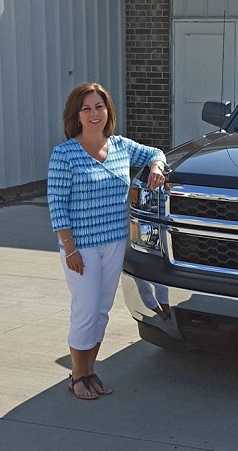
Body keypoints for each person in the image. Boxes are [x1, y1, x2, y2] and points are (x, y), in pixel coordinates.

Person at [47, 82, 167, 400]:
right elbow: (56, 204)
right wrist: (69, 247)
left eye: (99, 106)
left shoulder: (121, 147)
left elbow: (156, 153)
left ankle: (90, 372)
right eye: (86, 108)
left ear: (108, 111)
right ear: (76, 115)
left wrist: (157, 166)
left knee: (102, 310)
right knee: (85, 309)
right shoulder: (64, 154)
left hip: (114, 242)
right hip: (81, 247)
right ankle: (77, 376)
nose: (93, 113)